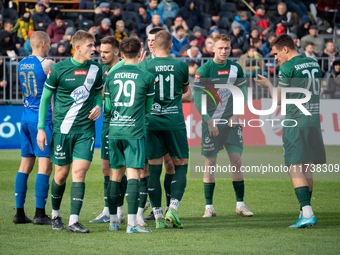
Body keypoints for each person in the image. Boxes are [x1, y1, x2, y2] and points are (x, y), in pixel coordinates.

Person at [255, 33, 326, 228]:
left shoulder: (287, 67)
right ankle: (305, 212)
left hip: (296, 121)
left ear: (286, 49)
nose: (275, 58)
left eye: (276, 54)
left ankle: (308, 213)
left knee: (294, 167)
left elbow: (279, 100)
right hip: (313, 121)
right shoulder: (313, 63)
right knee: (307, 169)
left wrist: (269, 84)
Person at [37, 30, 103, 233]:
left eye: (95, 45)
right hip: (63, 131)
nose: (95, 49)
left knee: (79, 172)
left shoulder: (96, 69)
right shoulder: (58, 69)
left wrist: (99, 106)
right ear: (78, 47)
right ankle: (56, 214)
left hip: (86, 130)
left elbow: (99, 94)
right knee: (61, 175)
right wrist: (41, 128)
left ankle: (74, 221)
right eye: (91, 45)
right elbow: (45, 99)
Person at [193, 34, 253, 218]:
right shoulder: (204, 70)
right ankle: (209, 206)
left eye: (227, 48)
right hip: (212, 124)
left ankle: (240, 205)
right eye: (220, 48)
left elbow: (242, 91)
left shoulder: (235, 68)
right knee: (210, 164)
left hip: (232, 123)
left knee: (237, 162)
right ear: (213, 48)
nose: (224, 51)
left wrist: (235, 114)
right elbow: (197, 98)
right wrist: (209, 120)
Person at [138, 30, 190, 229]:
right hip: (173, 122)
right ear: (170, 46)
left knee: (153, 168)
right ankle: (173, 209)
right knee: (181, 164)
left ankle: (158, 215)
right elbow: (185, 92)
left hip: (151, 122)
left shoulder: (144, 65)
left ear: (154, 45)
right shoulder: (180, 66)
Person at [104, 37, 155, 233]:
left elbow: (107, 108)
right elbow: (148, 109)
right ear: (140, 50)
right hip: (134, 131)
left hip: (114, 130)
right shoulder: (147, 77)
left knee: (115, 175)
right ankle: (132, 224)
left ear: (121, 54)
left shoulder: (111, 76)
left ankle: (114, 221)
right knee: (134, 174)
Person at [13, 31, 55, 225]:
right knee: (45, 167)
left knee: (25, 165)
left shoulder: (22, 63)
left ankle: (19, 213)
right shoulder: (47, 64)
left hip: (25, 117)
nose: (50, 47)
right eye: (49, 44)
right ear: (44, 43)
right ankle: (39, 214)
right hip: (42, 120)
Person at [89, 36, 127, 224]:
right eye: (100, 51)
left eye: (105, 52)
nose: (101, 55)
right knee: (106, 168)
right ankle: (108, 210)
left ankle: (119, 211)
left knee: (119, 168)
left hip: (123, 123)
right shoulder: (101, 69)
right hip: (106, 122)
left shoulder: (123, 68)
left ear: (116, 52)